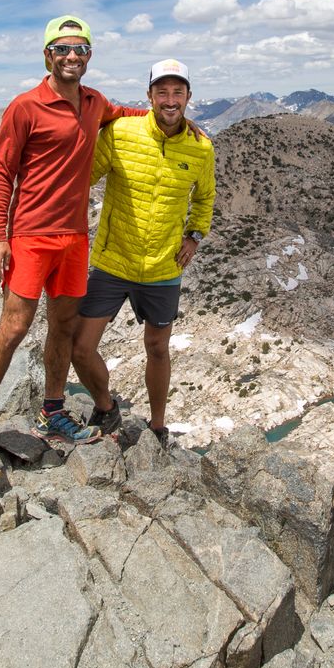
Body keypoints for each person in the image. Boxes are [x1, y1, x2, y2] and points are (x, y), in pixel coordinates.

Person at [0, 15, 146, 480]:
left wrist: (173, 118)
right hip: (30, 236)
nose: (71, 56)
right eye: (62, 48)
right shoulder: (25, 106)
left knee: (62, 327)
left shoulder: (94, 102)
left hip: (74, 238)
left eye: (80, 49)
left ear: (89, 56)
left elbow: (126, 113)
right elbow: (2, 170)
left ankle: (52, 412)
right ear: (47, 55)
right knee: (14, 326)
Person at [72, 58, 215, 445]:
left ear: (188, 96)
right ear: (149, 96)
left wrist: (194, 236)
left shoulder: (201, 148)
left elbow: (205, 198)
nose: (170, 100)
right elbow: (85, 178)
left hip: (163, 268)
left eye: (177, 92)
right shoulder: (120, 132)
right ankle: (106, 406)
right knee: (80, 348)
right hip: (112, 261)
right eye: (162, 91)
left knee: (157, 348)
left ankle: (157, 427)